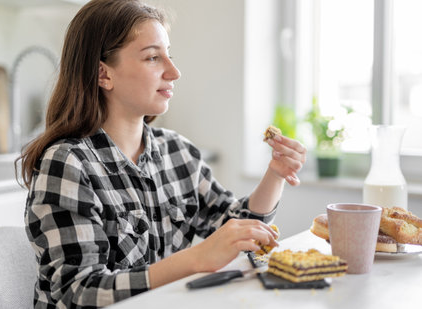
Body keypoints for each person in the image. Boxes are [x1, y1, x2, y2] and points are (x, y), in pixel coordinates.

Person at [17, 0, 306, 307]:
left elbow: (235, 230)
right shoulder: (67, 164)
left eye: (170, 55)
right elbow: (81, 292)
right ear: (103, 75)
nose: (175, 72)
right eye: (153, 57)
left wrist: (275, 174)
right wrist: (195, 259)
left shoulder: (177, 151)